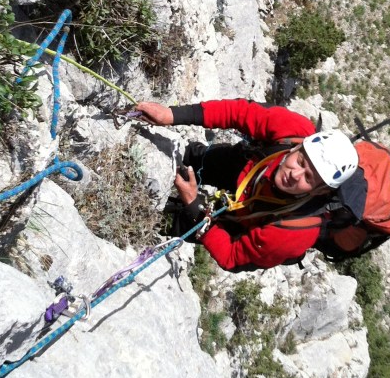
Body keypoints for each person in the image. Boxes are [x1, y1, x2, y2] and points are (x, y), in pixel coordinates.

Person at [134, 98, 360, 271]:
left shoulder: (294, 233)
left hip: (248, 221)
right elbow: (238, 112)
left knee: (173, 222)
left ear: (320, 190)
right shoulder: (293, 129)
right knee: (195, 158)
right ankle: (185, 159)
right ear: (296, 148)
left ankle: (145, 215)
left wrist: (195, 207)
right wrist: (170, 115)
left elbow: (231, 257)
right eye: (299, 161)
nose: (295, 174)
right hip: (251, 169)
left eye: (308, 178)